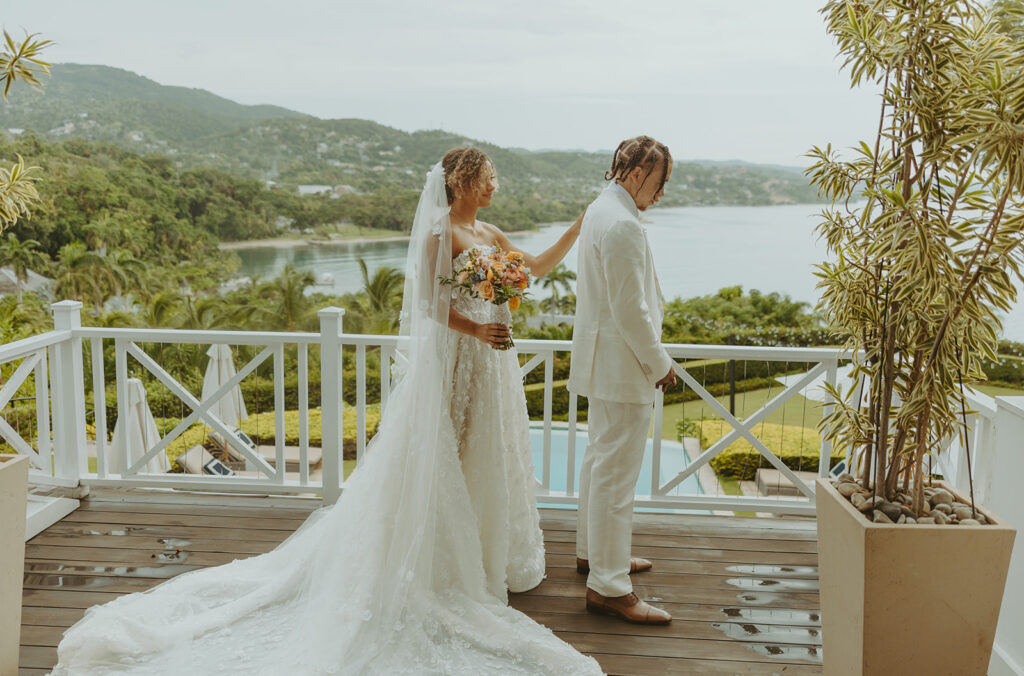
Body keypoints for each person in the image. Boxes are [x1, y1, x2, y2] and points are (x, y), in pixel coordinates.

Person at [50, 149, 601, 675]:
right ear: (460, 182)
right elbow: (429, 305)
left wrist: (578, 227)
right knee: (441, 453)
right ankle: (434, 558)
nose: (494, 184)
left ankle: (482, 554)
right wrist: (477, 326)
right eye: (488, 176)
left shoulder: (490, 233)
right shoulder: (440, 233)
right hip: (456, 355)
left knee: (482, 449)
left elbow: (532, 267)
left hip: (488, 364)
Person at [568, 135, 676, 625]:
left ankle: (595, 556)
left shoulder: (598, 209)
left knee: (599, 464)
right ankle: (609, 587)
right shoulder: (623, 226)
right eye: (659, 182)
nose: (660, 193)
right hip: (623, 367)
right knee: (616, 478)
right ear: (636, 174)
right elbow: (631, 312)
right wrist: (661, 364)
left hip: (600, 363)